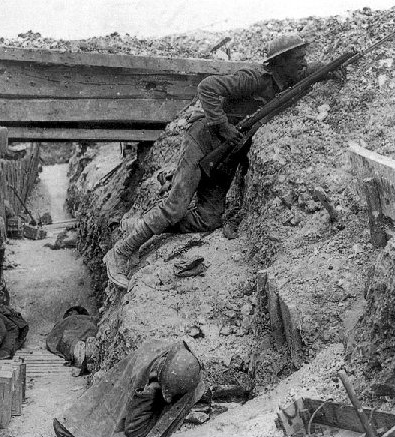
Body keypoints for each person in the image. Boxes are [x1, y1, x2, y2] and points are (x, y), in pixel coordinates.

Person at [104, 34, 341, 288]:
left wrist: (333, 67)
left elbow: (311, 72)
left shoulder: (288, 82)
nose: (303, 63)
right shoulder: (254, 80)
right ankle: (120, 253)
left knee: (209, 220)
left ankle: (142, 225)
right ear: (281, 61)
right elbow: (207, 87)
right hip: (203, 142)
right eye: (298, 58)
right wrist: (223, 125)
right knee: (175, 208)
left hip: (225, 158)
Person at [105, 341, 202, 437]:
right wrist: (149, 392)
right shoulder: (144, 372)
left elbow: (135, 432)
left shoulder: (188, 378)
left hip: (152, 427)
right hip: (138, 416)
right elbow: (131, 429)